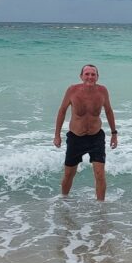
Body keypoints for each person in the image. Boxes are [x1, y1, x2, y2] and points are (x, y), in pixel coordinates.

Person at [54, 64, 118, 201]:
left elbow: (108, 111)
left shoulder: (102, 91)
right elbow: (62, 111)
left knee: (100, 174)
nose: (90, 77)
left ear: (97, 77)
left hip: (96, 137)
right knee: (69, 174)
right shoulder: (72, 90)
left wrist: (114, 134)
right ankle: (63, 200)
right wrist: (57, 135)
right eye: (87, 74)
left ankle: (101, 207)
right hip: (75, 138)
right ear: (81, 76)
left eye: (93, 74)